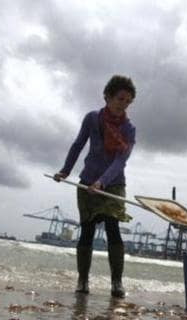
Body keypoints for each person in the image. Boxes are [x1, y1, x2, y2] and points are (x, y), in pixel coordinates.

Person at [54, 75, 136, 298]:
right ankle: (82, 280)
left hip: (114, 184)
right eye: (120, 99)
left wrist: (103, 181)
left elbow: (120, 161)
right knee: (87, 230)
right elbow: (78, 144)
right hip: (88, 180)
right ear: (108, 96)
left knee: (112, 228)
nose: (123, 104)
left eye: (128, 101)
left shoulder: (129, 129)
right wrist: (65, 170)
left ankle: (117, 282)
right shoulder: (92, 118)